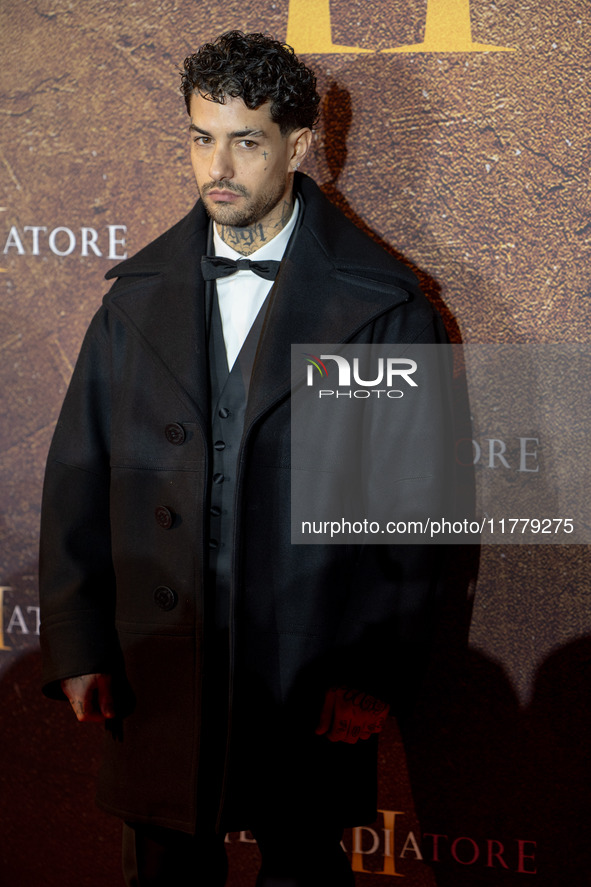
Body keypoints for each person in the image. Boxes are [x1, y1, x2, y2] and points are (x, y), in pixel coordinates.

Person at [39, 30, 449, 886]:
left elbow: (416, 506)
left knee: (303, 865)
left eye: (245, 139)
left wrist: (372, 665)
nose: (216, 166)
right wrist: (79, 643)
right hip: (158, 664)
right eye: (200, 136)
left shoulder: (381, 305)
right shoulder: (133, 301)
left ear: (299, 145)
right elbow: (80, 472)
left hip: (306, 667)